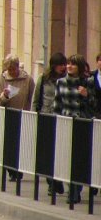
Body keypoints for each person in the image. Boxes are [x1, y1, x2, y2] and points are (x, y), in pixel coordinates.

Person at [55, 54, 96, 204]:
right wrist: (56, 121)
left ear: (80, 67)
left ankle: (76, 190)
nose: (69, 66)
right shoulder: (61, 82)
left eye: (73, 64)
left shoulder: (88, 82)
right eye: (68, 64)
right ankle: (71, 190)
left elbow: (94, 104)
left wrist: (86, 95)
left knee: (79, 159)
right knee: (67, 158)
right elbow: (57, 105)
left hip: (82, 124)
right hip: (66, 123)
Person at [0, 54, 35, 182]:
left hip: (23, 116)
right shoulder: (1, 79)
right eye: (9, 70)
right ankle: (11, 169)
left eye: (13, 69)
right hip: (7, 117)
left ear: (17, 67)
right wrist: (4, 96)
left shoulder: (27, 79)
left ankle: (18, 169)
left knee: (20, 145)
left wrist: (30, 111)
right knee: (8, 145)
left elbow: (32, 96)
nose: (11, 72)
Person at [32, 52, 67, 196]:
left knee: (59, 152)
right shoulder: (43, 79)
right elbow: (36, 99)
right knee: (47, 152)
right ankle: (51, 182)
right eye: (60, 65)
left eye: (64, 64)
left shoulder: (67, 79)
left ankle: (57, 181)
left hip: (61, 118)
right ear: (54, 66)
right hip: (46, 117)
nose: (63, 67)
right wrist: (34, 115)